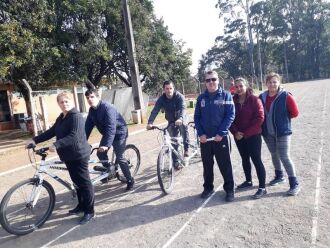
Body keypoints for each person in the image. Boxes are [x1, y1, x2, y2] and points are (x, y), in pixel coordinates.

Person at [26, 92, 94, 225]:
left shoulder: (76, 116)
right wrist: (34, 140)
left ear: (72, 102)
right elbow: (51, 132)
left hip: (79, 154)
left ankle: (89, 211)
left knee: (84, 183)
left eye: (66, 101)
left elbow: (74, 136)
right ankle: (81, 205)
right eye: (61, 102)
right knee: (76, 181)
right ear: (58, 104)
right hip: (68, 155)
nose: (64, 104)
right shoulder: (61, 117)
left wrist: (56, 144)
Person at [194, 70, 235, 202]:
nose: (211, 82)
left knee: (225, 165)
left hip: (220, 138)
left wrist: (221, 133)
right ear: (204, 82)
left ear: (218, 80)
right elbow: (197, 117)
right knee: (207, 165)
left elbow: (230, 115)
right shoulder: (201, 98)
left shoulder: (226, 96)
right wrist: (201, 134)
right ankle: (208, 187)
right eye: (208, 80)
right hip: (205, 139)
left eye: (213, 79)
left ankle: (229, 189)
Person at [84, 88, 134, 190]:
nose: (90, 99)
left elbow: (111, 127)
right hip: (108, 133)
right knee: (100, 153)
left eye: (92, 97)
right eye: (87, 97)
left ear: (98, 97)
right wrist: (82, 141)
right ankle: (110, 171)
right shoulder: (91, 110)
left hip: (119, 133)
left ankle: (130, 179)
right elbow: (87, 127)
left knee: (120, 158)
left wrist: (105, 145)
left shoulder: (107, 108)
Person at [259, 72, 300, 196]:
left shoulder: (286, 96)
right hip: (267, 132)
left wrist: (282, 121)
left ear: (279, 83)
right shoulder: (262, 97)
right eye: (270, 82)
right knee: (274, 154)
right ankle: (279, 176)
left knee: (284, 156)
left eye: (275, 82)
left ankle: (294, 183)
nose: (272, 84)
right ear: (266, 83)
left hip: (282, 132)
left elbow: (295, 113)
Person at [230, 77, 267, 199]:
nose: (239, 89)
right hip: (238, 136)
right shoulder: (232, 101)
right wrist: (235, 132)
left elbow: (260, 118)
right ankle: (248, 181)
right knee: (244, 158)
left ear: (246, 86)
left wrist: (245, 133)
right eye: (237, 87)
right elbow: (229, 119)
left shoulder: (255, 100)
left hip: (253, 136)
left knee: (256, 159)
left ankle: (262, 187)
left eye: (241, 86)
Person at [146, 80, 190, 169]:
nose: (169, 90)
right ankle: (176, 163)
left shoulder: (179, 97)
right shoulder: (161, 99)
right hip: (171, 120)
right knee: (173, 142)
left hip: (181, 118)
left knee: (183, 127)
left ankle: (186, 148)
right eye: (167, 88)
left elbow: (183, 108)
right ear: (164, 90)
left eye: (170, 88)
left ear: (173, 89)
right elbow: (155, 110)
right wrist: (150, 123)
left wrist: (180, 118)